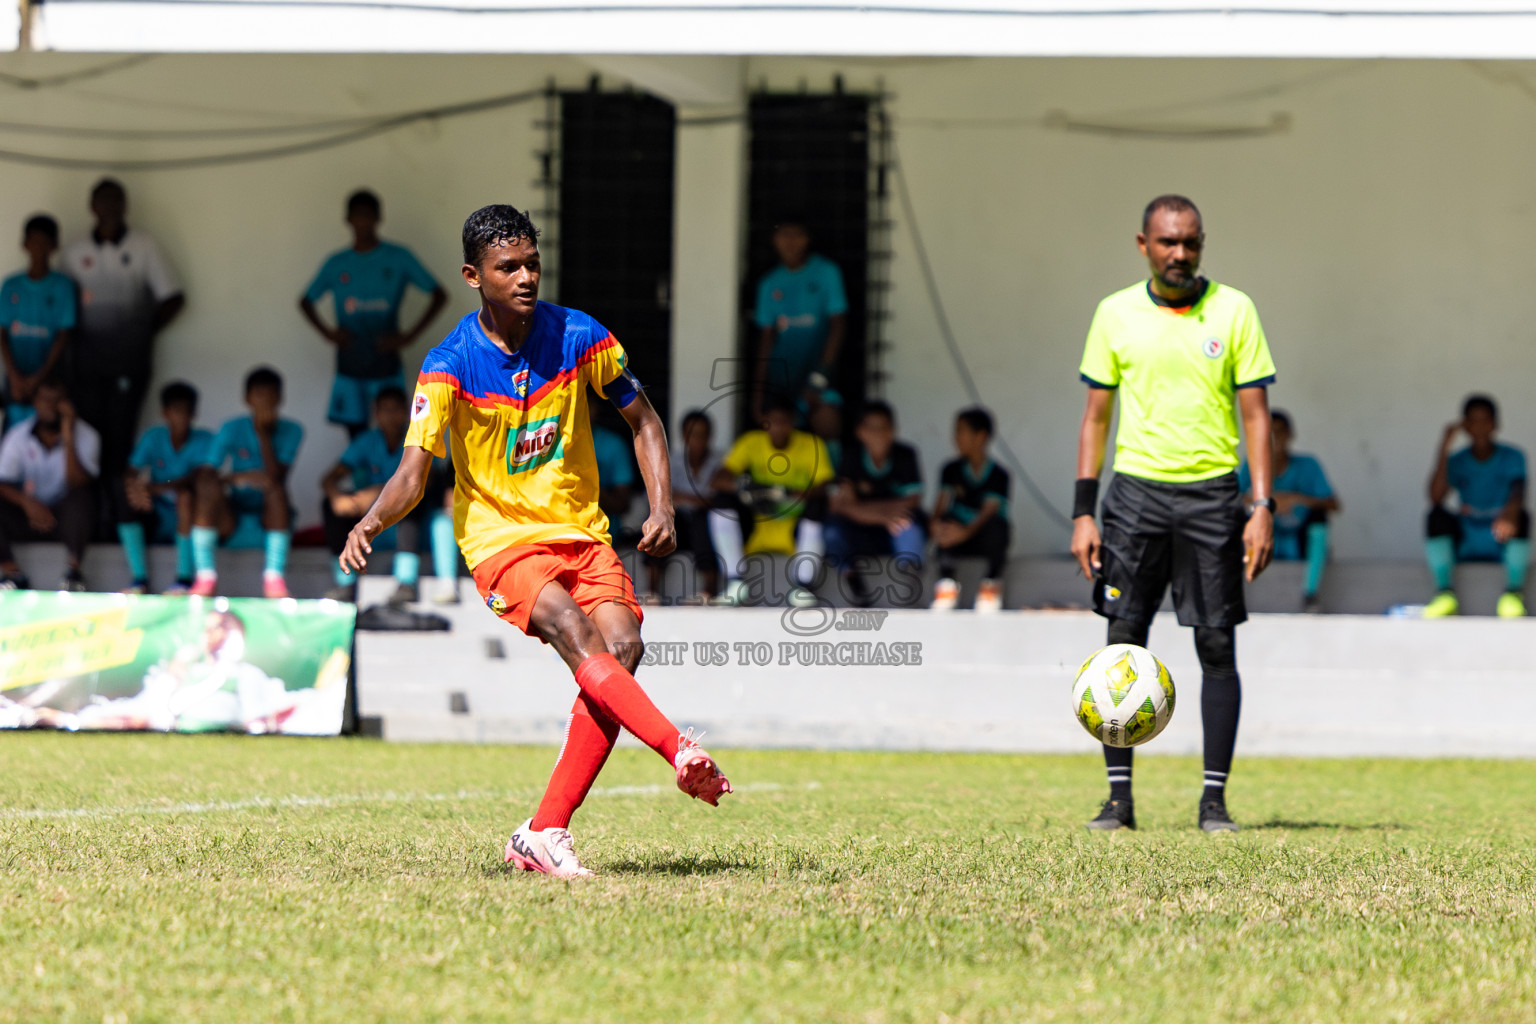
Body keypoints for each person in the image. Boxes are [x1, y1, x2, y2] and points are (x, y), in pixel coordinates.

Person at [338, 204, 730, 878]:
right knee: (575, 634)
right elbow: (413, 471)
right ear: (473, 276)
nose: (524, 277)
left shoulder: (580, 335)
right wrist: (370, 521)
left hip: (581, 531)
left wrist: (661, 504)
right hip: (501, 541)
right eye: (507, 267)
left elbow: (643, 420)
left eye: (531, 264)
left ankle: (544, 830)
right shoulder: (448, 364)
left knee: (623, 650)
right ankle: (679, 750)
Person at [1071, 194, 1277, 834]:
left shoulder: (1235, 310)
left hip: (1213, 498)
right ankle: (1118, 801)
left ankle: (1213, 802)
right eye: (1167, 242)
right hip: (1134, 498)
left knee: (1216, 642)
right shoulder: (1114, 314)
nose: (1179, 254)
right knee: (1121, 643)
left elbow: (1256, 417)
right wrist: (1084, 512)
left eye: (1190, 242)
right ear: (1143, 244)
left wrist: (1262, 504)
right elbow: (1096, 419)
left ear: (1202, 244)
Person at [60, 178, 184, 480]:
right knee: (88, 438)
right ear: (92, 206)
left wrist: (142, 331)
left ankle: (119, 518)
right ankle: (93, 517)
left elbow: (174, 298)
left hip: (129, 364)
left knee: (121, 438)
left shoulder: (145, 245)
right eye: (103, 200)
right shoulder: (74, 250)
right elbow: (62, 304)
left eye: (116, 200)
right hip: (86, 365)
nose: (110, 207)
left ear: (126, 206)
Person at [300, 189, 448, 438]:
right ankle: (363, 479)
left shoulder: (398, 257)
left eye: (368, 215)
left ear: (379, 218)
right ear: (348, 219)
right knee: (355, 434)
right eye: (357, 216)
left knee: (396, 431)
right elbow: (306, 301)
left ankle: (395, 478)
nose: (363, 222)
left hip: (385, 359)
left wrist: (409, 336)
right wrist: (329, 334)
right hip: (351, 359)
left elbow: (439, 294)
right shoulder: (338, 263)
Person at [189, 367, 304, 599]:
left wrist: (263, 435)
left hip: (269, 517)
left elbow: (277, 477)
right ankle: (205, 576)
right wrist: (237, 478)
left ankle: (273, 579)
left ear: (281, 399)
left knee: (276, 489)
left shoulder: (293, 430)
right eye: (259, 395)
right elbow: (206, 474)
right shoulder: (231, 427)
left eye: (271, 395)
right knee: (207, 489)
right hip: (232, 517)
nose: (265, 401)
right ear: (247, 399)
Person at [709, 397, 832, 607]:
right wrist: (751, 488)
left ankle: (804, 587)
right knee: (721, 504)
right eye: (773, 421)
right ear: (764, 422)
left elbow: (825, 485)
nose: (778, 427)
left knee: (819, 507)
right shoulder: (750, 441)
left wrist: (790, 493)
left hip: (795, 522)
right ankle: (735, 582)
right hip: (758, 523)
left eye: (784, 421)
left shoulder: (812, 444)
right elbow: (718, 480)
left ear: (792, 422)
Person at [1423, 394, 1529, 618]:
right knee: (1436, 516)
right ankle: (1445, 593)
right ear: (1465, 426)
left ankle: (1513, 593)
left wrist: (1510, 512)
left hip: (1500, 536)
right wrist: (1444, 446)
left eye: (1485, 420)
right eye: (1473, 421)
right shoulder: (1458, 460)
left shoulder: (1513, 456)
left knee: (1523, 516)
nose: (1479, 427)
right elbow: (1435, 497)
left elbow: (1519, 490)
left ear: (1496, 425)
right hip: (1467, 537)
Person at [321, 386, 428, 606]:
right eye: (384, 410)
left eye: (395, 410)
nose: (390, 416)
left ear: (407, 412)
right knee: (330, 506)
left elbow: (426, 482)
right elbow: (329, 479)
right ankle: (346, 583)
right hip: (369, 522)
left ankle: (406, 581)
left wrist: (375, 493)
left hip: (406, 525)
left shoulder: (417, 438)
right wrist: (336, 497)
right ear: (376, 414)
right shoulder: (367, 441)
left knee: (410, 503)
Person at [0, 377, 99, 591]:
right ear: (35, 402)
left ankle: (73, 574)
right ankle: (12, 574)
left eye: (57, 400)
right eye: (44, 399)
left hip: (64, 517)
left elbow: (76, 481)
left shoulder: (87, 435)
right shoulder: (19, 435)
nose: (50, 406)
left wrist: (68, 434)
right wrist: (27, 503)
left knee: (82, 497)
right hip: (27, 514)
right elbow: (2, 481)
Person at [825, 401, 925, 607]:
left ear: (893, 431)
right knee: (832, 529)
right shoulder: (851, 455)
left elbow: (912, 501)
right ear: (861, 432)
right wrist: (884, 515)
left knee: (912, 526)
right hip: (862, 531)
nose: (878, 434)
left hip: (892, 529)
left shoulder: (905, 455)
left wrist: (865, 509)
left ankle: (910, 585)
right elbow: (840, 506)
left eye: (884, 428)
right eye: (872, 428)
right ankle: (855, 583)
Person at [1238, 410, 1339, 612]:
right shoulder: (1252, 464)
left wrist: (1297, 499)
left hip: (1298, 542)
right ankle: (1234, 591)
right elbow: (1233, 497)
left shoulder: (1307, 464)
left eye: (1280, 432)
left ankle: (1309, 594)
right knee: (1233, 517)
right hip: (1261, 543)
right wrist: (1266, 501)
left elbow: (1334, 504)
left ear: (1290, 435)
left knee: (1319, 519)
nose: (1275, 439)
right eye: (1269, 432)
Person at [120, 381, 215, 595]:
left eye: (186, 411)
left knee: (185, 496)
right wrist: (136, 488)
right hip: (157, 511)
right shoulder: (154, 437)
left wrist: (158, 487)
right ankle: (139, 579)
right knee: (126, 500)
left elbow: (191, 479)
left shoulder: (205, 440)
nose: (181, 416)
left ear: (194, 414)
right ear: (165, 413)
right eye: (175, 410)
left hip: (191, 516)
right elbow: (131, 471)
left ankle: (183, 578)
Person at [750, 216, 848, 422]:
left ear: (808, 239)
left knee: (826, 420)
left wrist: (820, 377)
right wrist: (758, 392)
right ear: (774, 239)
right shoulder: (769, 283)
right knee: (780, 430)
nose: (790, 242)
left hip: (819, 373)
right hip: (781, 378)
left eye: (797, 235)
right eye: (784, 234)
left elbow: (838, 325)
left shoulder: (826, 272)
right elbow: (766, 339)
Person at [930, 406, 1011, 612]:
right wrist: (936, 526)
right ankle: (947, 584)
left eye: (960, 431)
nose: (955, 438)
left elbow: (988, 511)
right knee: (946, 523)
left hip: (980, 536)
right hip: (955, 537)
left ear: (981, 436)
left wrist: (965, 532)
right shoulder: (951, 469)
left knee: (999, 528)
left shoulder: (999, 475)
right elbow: (940, 505)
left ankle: (990, 584)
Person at [1, 215, 75, 428]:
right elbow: (2, 333)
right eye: (34, 241)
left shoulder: (62, 286)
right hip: (16, 378)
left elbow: (63, 336)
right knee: (14, 433)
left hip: (50, 379)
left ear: (54, 246)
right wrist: (14, 376)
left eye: (45, 242)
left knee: (49, 431)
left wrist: (39, 378)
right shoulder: (11, 285)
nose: (39, 248)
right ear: (24, 244)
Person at [646, 409, 724, 601]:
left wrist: (686, 499)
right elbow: (665, 497)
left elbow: (718, 500)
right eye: (692, 434)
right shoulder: (672, 461)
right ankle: (652, 591)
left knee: (703, 520)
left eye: (702, 434)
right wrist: (697, 500)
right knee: (659, 523)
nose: (697, 440)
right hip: (679, 525)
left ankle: (709, 589)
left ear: (710, 436)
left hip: (706, 528)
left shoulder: (721, 462)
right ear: (683, 436)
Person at [589, 402, 636, 543]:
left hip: (603, 531)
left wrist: (589, 484)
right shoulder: (552, 441)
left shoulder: (614, 444)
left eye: (585, 403)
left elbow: (622, 504)